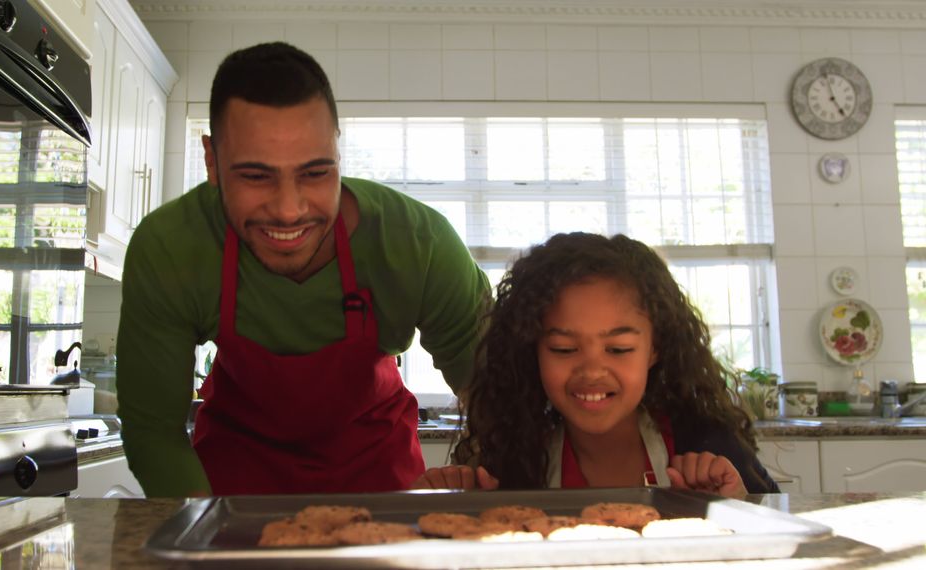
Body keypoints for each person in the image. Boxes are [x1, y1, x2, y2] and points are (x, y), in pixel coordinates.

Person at [116, 42, 491, 498]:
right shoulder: (170, 248)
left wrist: (487, 481)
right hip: (232, 491)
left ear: (337, 150)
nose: (289, 211)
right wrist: (205, 536)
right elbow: (153, 431)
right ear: (211, 161)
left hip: (380, 489)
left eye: (315, 173)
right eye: (256, 176)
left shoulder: (419, 244)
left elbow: (495, 393)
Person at [412, 233, 779, 498]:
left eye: (618, 349)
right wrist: (457, 508)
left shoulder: (708, 445)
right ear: (532, 352)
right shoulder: (514, 455)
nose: (591, 371)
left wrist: (739, 506)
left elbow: (782, 541)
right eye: (564, 348)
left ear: (655, 349)